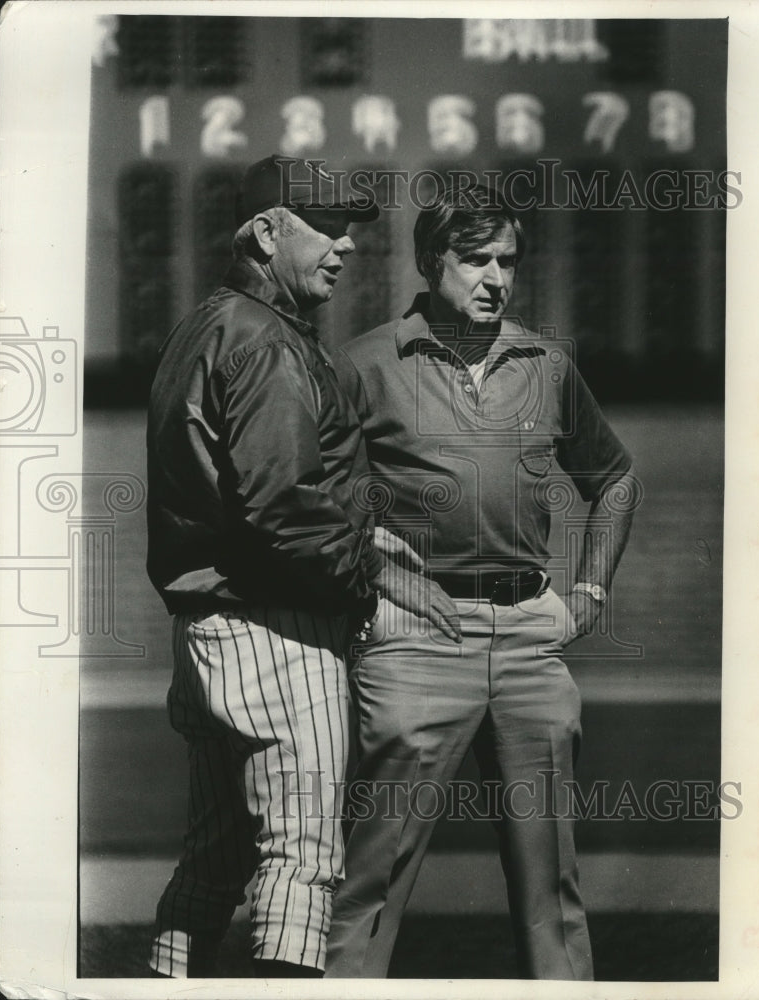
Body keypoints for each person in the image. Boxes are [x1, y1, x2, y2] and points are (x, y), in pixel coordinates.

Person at [145, 155, 460, 979]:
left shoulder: (207, 323)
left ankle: (158, 982)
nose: (346, 244)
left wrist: (366, 535)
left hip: (209, 631)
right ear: (264, 231)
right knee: (302, 859)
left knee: (214, 861)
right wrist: (376, 570)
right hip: (274, 632)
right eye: (326, 225)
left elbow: (262, 495)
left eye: (351, 227)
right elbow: (279, 509)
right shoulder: (265, 341)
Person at [324, 183, 638, 980]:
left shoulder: (545, 363)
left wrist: (588, 593)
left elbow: (614, 478)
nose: (495, 277)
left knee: (551, 888)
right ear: (432, 263)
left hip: (531, 634)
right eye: (475, 260)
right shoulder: (363, 365)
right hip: (415, 643)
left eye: (507, 261)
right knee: (371, 879)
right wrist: (379, 577)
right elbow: (314, 500)